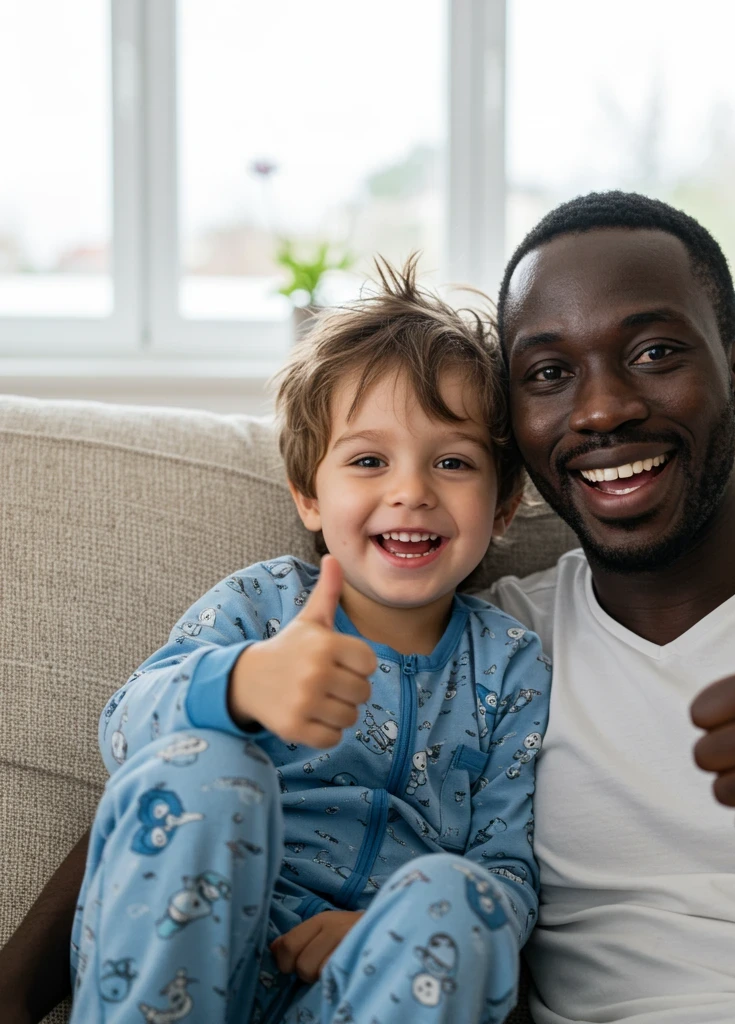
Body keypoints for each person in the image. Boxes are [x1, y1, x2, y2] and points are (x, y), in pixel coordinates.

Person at [5, 191, 735, 1024]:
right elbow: (154, 781)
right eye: (546, 373)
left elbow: (482, 886)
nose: (601, 406)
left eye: (656, 351)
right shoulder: (510, 631)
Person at [63, 259, 550, 1024]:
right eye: (367, 461)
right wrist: (241, 684)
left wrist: (378, 928)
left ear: (504, 506)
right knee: (204, 766)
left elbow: (508, 866)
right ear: (308, 493)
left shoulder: (510, 665)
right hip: (196, 959)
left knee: (466, 896)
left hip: (368, 986)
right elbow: (126, 728)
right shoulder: (263, 603)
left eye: (453, 462)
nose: (412, 489)